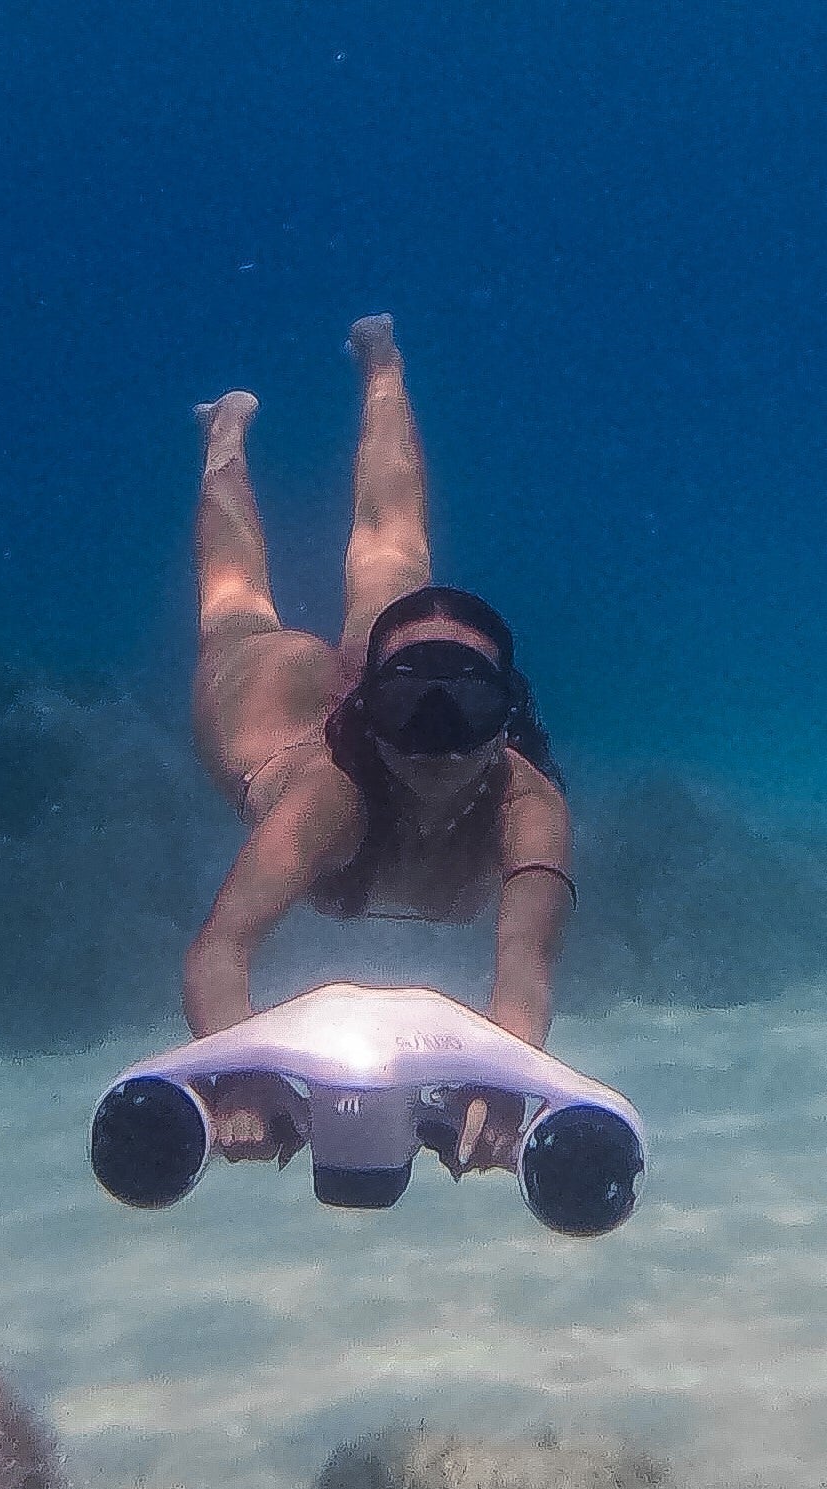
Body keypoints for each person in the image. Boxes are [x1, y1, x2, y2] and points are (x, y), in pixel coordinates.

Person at [184, 314, 575, 1177]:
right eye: (411, 703)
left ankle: (384, 365)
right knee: (238, 612)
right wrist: (236, 1070)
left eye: (462, 703)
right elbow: (221, 947)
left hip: (354, 721)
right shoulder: (327, 796)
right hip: (280, 730)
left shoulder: (527, 804)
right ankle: (224, 436)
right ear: (368, 705)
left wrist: (506, 1078)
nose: (435, 742)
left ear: (506, 719)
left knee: (394, 566)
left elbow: (524, 968)